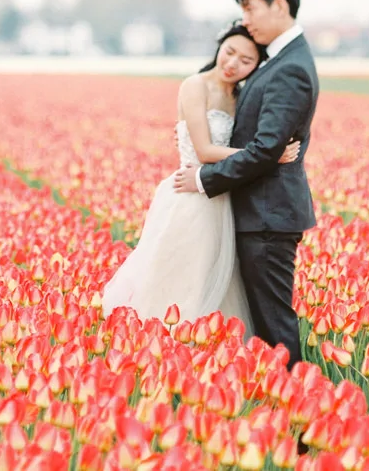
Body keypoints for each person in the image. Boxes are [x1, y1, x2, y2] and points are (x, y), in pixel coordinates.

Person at [100, 23, 302, 325]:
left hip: (226, 198)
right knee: (182, 278)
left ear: (257, 66)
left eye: (246, 61)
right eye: (229, 52)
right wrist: (269, 156)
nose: (232, 64)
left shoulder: (243, 97)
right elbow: (205, 151)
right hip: (190, 196)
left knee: (219, 281)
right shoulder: (195, 85)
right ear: (219, 47)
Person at [172, 0, 318, 368]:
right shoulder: (280, 60)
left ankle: (300, 422)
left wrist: (204, 177)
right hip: (255, 214)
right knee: (262, 324)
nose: (246, 19)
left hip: (268, 218)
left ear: (280, 6)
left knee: (274, 327)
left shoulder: (288, 67)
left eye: (250, 8)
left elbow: (267, 147)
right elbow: (263, 140)